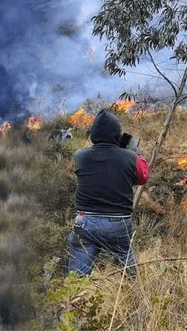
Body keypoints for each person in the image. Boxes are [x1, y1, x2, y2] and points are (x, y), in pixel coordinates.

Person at [67, 109, 149, 276]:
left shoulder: (80, 155)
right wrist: (140, 157)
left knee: (76, 278)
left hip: (85, 221)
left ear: (93, 134)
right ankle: (132, 290)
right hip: (118, 222)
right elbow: (142, 178)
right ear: (117, 134)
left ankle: (73, 298)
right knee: (126, 265)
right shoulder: (130, 157)